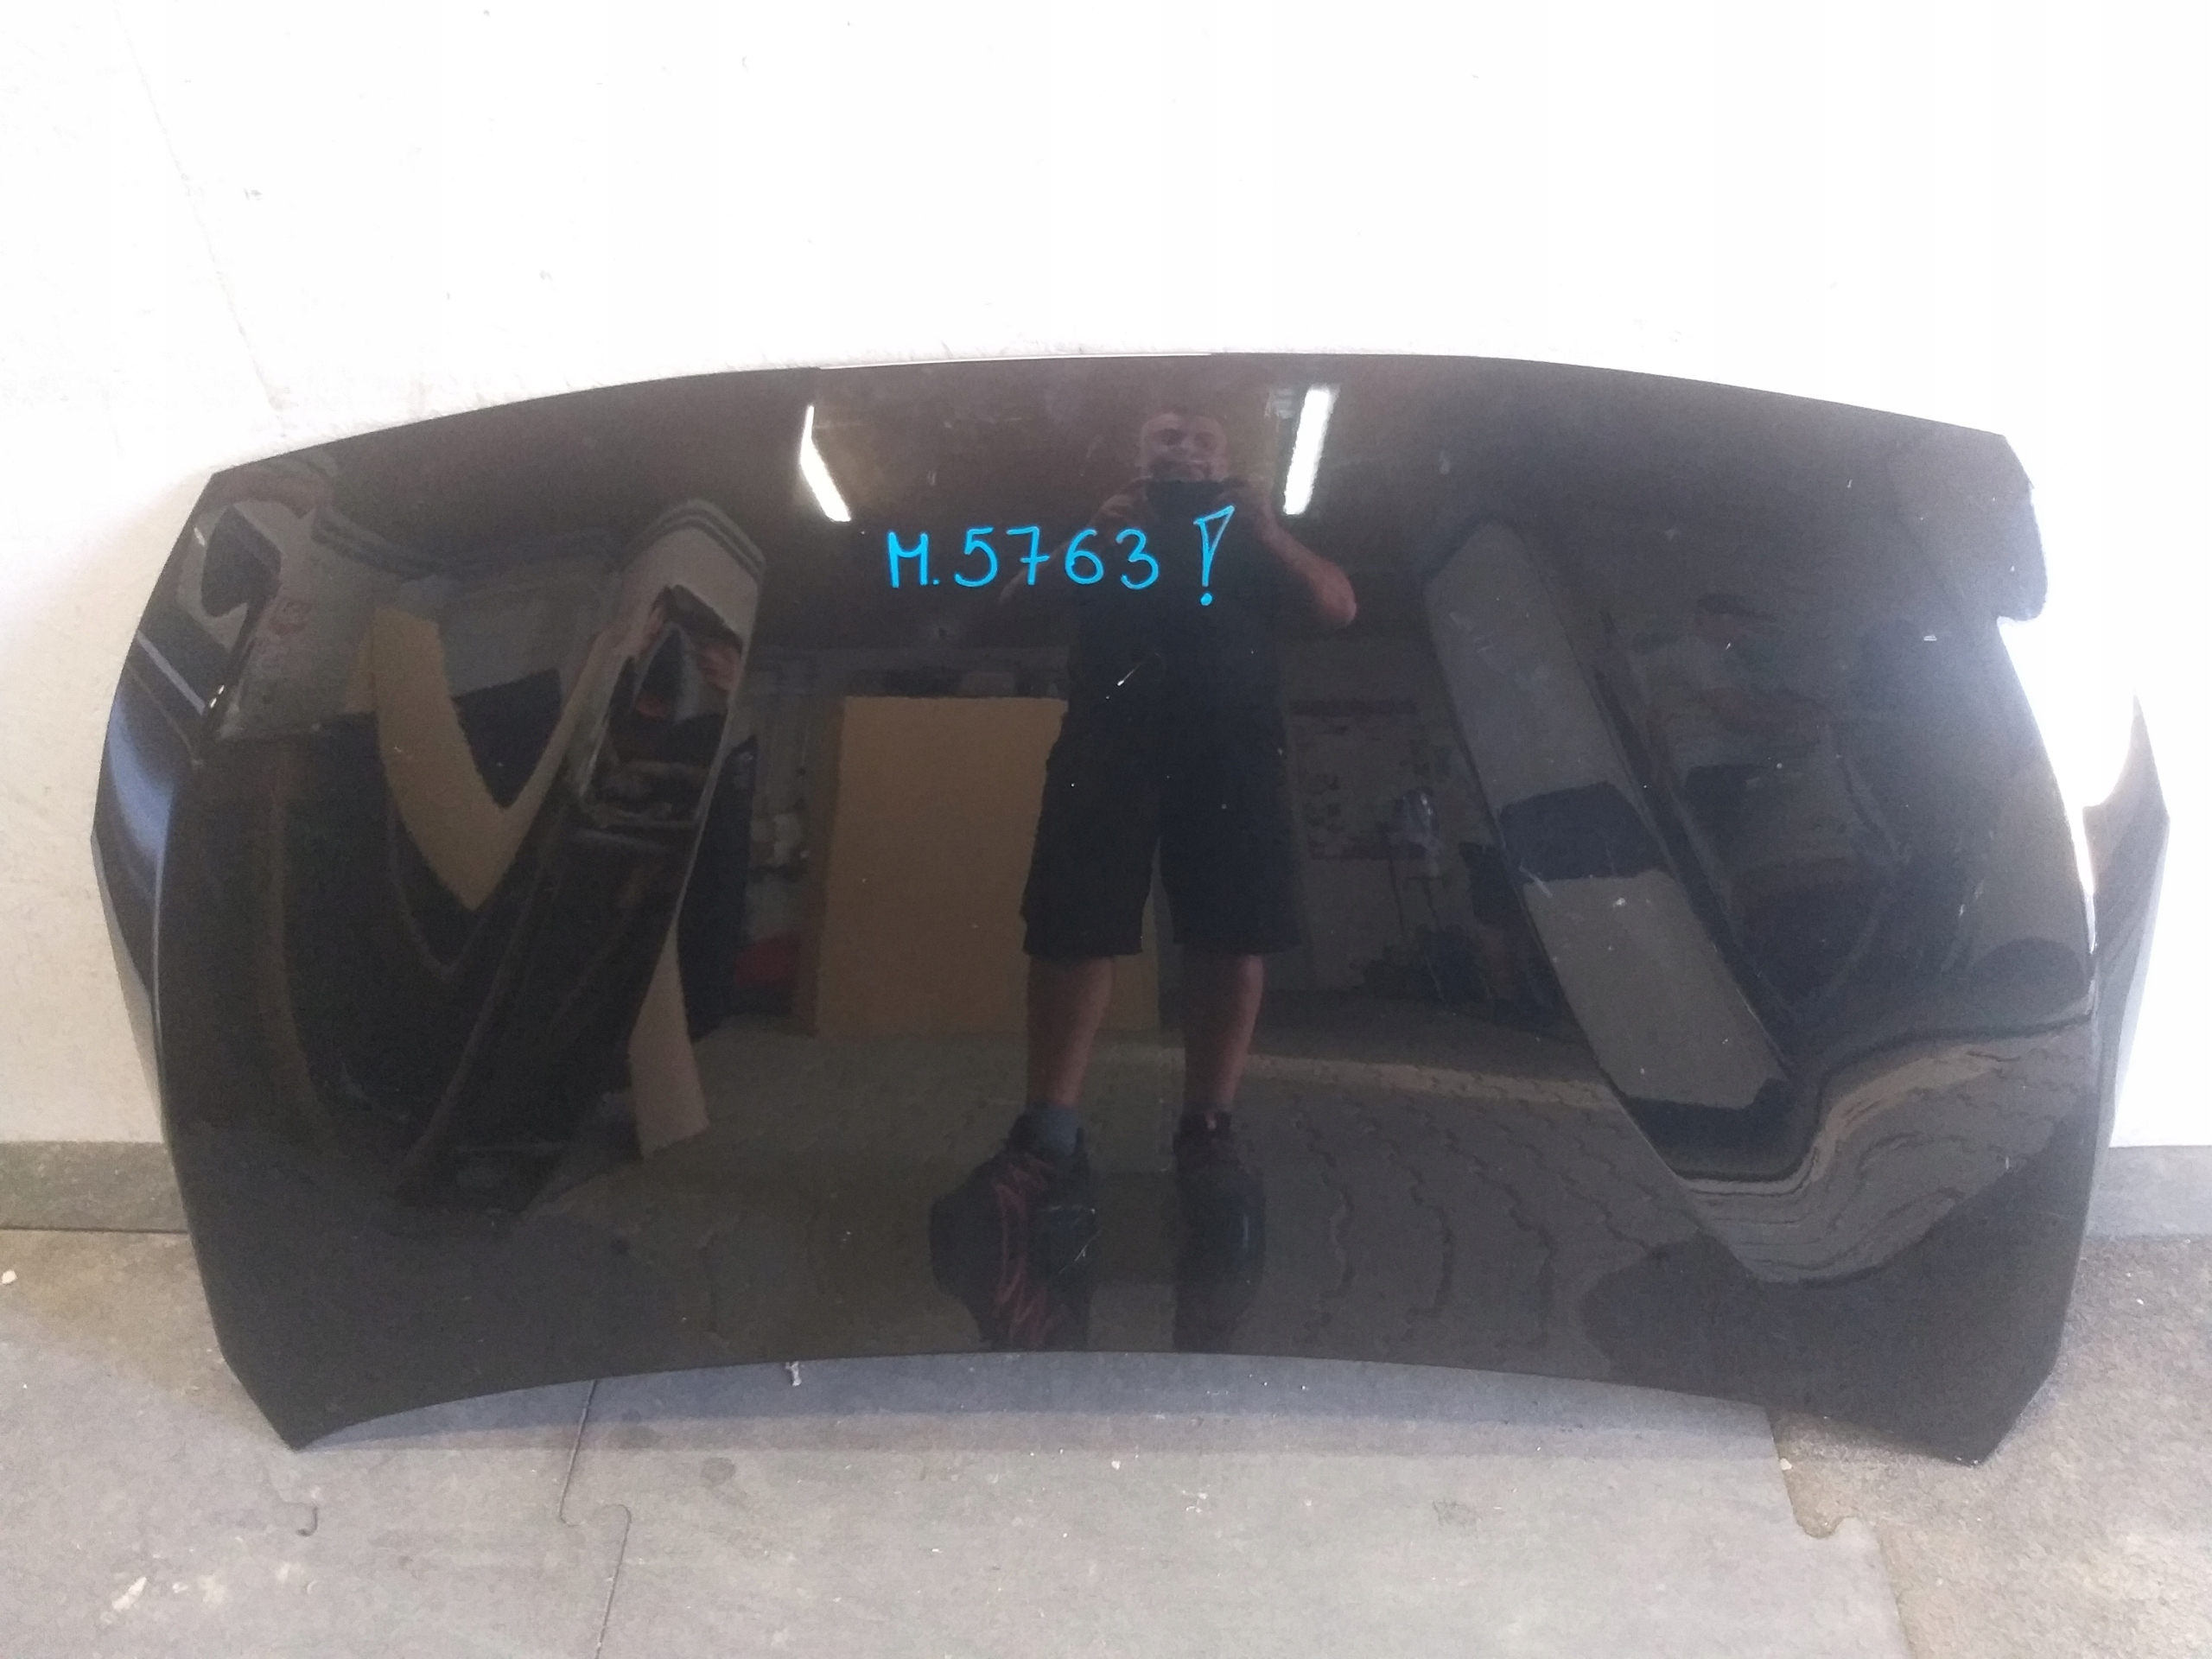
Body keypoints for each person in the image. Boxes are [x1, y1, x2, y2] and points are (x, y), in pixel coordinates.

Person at [930, 409, 1357, 1351]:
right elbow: (1008, 603)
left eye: (1202, 439)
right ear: (1137, 456)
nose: (1184, 449)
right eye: (1166, 438)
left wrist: (1270, 534)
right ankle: (1048, 1140)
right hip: (1106, 749)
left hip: (1232, 754)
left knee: (1232, 933)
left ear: (1230, 460)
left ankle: (1209, 1131)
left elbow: (1338, 606)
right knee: (1072, 926)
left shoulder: (1253, 538)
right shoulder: (1104, 534)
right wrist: (1094, 535)